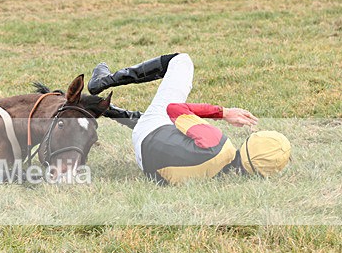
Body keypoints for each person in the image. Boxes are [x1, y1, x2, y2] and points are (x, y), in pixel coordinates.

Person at [89, 53, 291, 185]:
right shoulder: (226, 180)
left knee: (181, 61)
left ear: (253, 142)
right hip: (148, 167)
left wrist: (223, 112)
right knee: (178, 132)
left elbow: (174, 109)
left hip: (148, 134)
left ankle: (105, 81)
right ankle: (109, 110)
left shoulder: (219, 143)